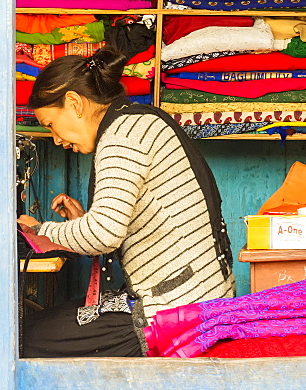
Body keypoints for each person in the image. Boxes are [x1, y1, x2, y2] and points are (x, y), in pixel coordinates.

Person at [17, 47, 235, 357]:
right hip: (199, 298)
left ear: (75, 104)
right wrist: (82, 224)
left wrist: (39, 232)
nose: (56, 139)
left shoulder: (121, 137)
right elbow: (113, 226)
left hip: (174, 314)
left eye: (51, 124)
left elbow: (104, 234)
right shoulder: (137, 121)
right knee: (43, 325)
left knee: (23, 337)